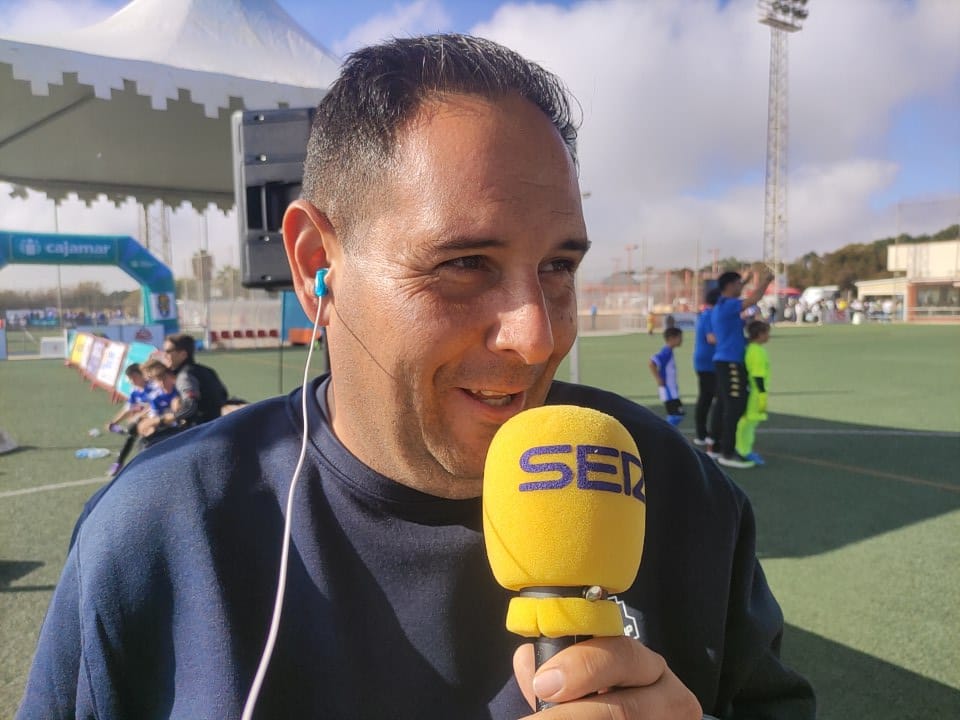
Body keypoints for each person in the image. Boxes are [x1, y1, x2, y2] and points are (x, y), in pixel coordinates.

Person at [18, 34, 813, 720]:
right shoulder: (158, 535)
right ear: (314, 265)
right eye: (466, 263)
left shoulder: (673, 487)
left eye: (558, 267)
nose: (537, 336)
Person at [711, 268, 774, 469]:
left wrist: (745, 279)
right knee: (734, 407)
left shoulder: (721, 306)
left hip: (723, 361)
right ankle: (728, 453)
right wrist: (765, 281)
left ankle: (718, 447)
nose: (741, 287)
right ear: (730, 286)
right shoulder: (729, 306)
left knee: (723, 406)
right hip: (730, 364)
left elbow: (740, 291)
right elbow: (753, 299)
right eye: (739, 284)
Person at [159, 332, 229, 429]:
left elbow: (190, 407)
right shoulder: (207, 370)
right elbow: (223, 395)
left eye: (168, 351)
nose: (164, 355)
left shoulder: (185, 376)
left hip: (200, 432)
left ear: (183, 354)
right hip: (216, 427)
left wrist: (165, 419)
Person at [735, 320, 771, 465]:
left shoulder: (750, 349)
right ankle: (744, 451)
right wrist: (762, 394)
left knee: (748, 421)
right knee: (750, 422)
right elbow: (757, 375)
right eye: (767, 333)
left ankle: (743, 448)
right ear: (760, 335)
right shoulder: (758, 352)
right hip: (756, 393)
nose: (769, 336)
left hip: (753, 391)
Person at [692, 288, 722, 453]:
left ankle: (702, 433)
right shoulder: (710, 315)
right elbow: (711, 338)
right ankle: (707, 435)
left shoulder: (705, 314)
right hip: (708, 362)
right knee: (712, 398)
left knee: (706, 397)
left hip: (703, 361)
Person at [648, 326, 685, 426]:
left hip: (672, 390)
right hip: (668, 390)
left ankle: (667, 435)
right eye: (679, 337)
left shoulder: (669, 351)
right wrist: (658, 379)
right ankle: (664, 435)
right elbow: (652, 362)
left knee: (676, 414)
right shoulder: (666, 351)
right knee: (676, 415)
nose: (682, 340)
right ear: (672, 338)